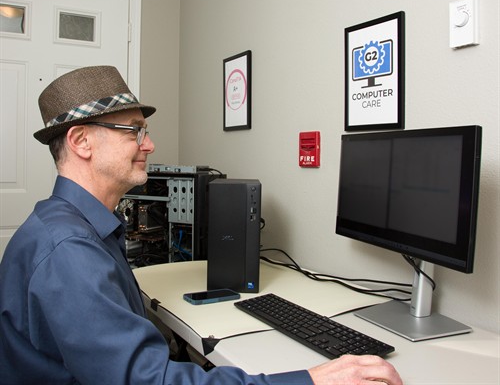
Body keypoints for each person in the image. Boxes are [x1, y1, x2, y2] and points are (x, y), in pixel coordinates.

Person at [0, 66, 403, 385]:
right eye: (134, 131)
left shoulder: (75, 227)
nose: (149, 144)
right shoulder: (68, 251)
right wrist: (310, 380)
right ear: (81, 142)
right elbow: (149, 381)